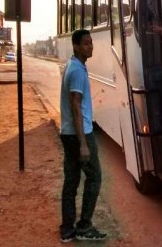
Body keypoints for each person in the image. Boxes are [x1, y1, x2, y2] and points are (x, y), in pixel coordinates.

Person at [59, 29, 107, 243]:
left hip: (68, 132)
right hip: (80, 134)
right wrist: (83, 144)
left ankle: (67, 229)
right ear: (76, 46)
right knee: (94, 177)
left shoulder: (73, 65)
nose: (90, 47)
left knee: (71, 181)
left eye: (91, 43)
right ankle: (84, 226)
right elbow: (76, 106)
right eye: (86, 43)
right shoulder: (77, 71)